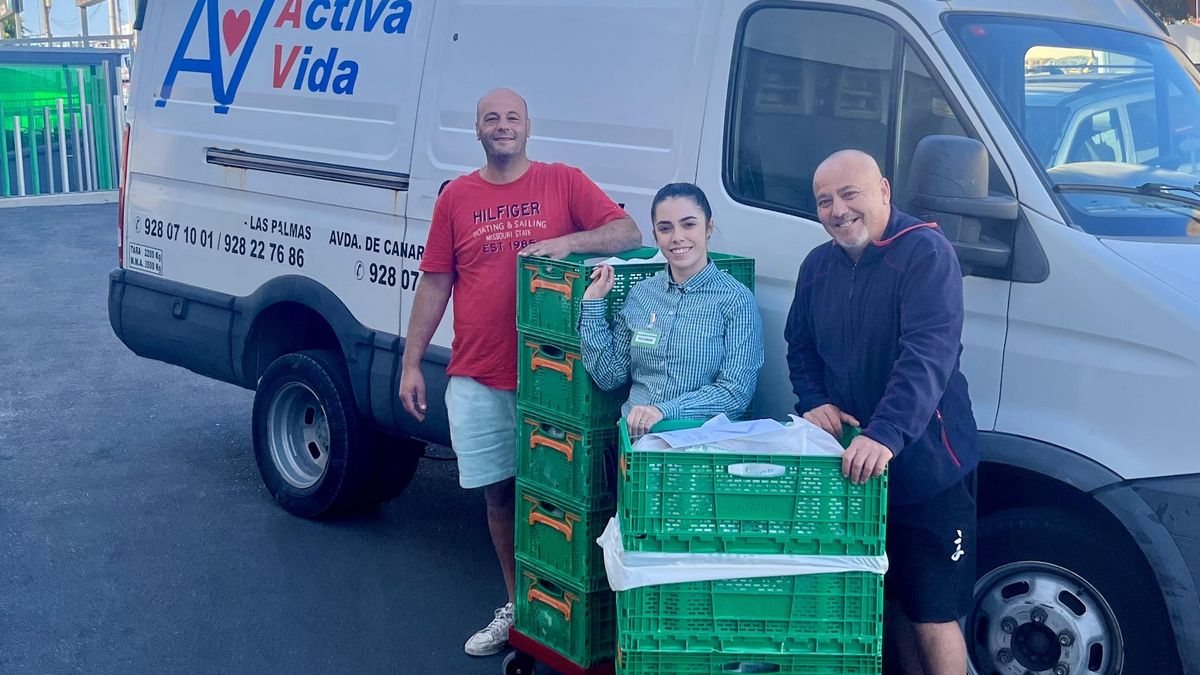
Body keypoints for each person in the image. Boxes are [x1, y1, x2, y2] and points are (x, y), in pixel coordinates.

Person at [397, 87, 640, 657]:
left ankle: (579, 612)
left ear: (528, 125)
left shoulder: (562, 181)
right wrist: (411, 362)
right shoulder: (456, 196)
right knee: (499, 495)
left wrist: (568, 242)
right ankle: (521, 607)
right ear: (476, 131)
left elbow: (626, 232)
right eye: (490, 119)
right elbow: (436, 280)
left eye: (511, 117)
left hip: (556, 381)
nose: (502, 126)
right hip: (479, 374)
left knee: (562, 495)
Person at [784, 150, 978, 675]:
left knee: (932, 612)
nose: (838, 209)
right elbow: (799, 346)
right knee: (885, 601)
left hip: (925, 471)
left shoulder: (925, 253)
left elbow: (927, 355)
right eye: (825, 200)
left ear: (885, 191)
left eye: (851, 194)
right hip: (853, 471)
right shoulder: (817, 265)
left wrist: (887, 434)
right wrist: (815, 401)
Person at [579, 183, 763, 436]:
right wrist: (592, 304)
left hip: (695, 446)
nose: (677, 237)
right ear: (655, 235)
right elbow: (609, 376)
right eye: (665, 228)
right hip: (635, 446)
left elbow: (735, 393)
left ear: (708, 227)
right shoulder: (642, 294)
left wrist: (664, 410)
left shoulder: (735, 300)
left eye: (689, 224)